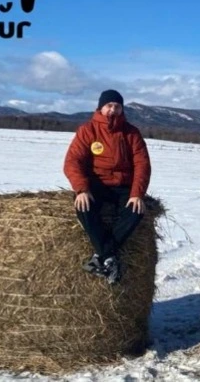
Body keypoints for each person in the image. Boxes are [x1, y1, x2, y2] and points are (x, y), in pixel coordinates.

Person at [63, 89, 152, 284]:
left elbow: (142, 165)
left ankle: (101, 256)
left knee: (136, 211)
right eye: (109, 106)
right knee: (83, 207)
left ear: (122, 109)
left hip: (123, 186)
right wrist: (82, 189)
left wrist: (137, 194)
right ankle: (109, 256)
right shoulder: (87, 130)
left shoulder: (131, 133)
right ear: (100, 108)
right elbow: (72, 162)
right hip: (97, 185)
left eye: (117, 106)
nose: (113, 110)